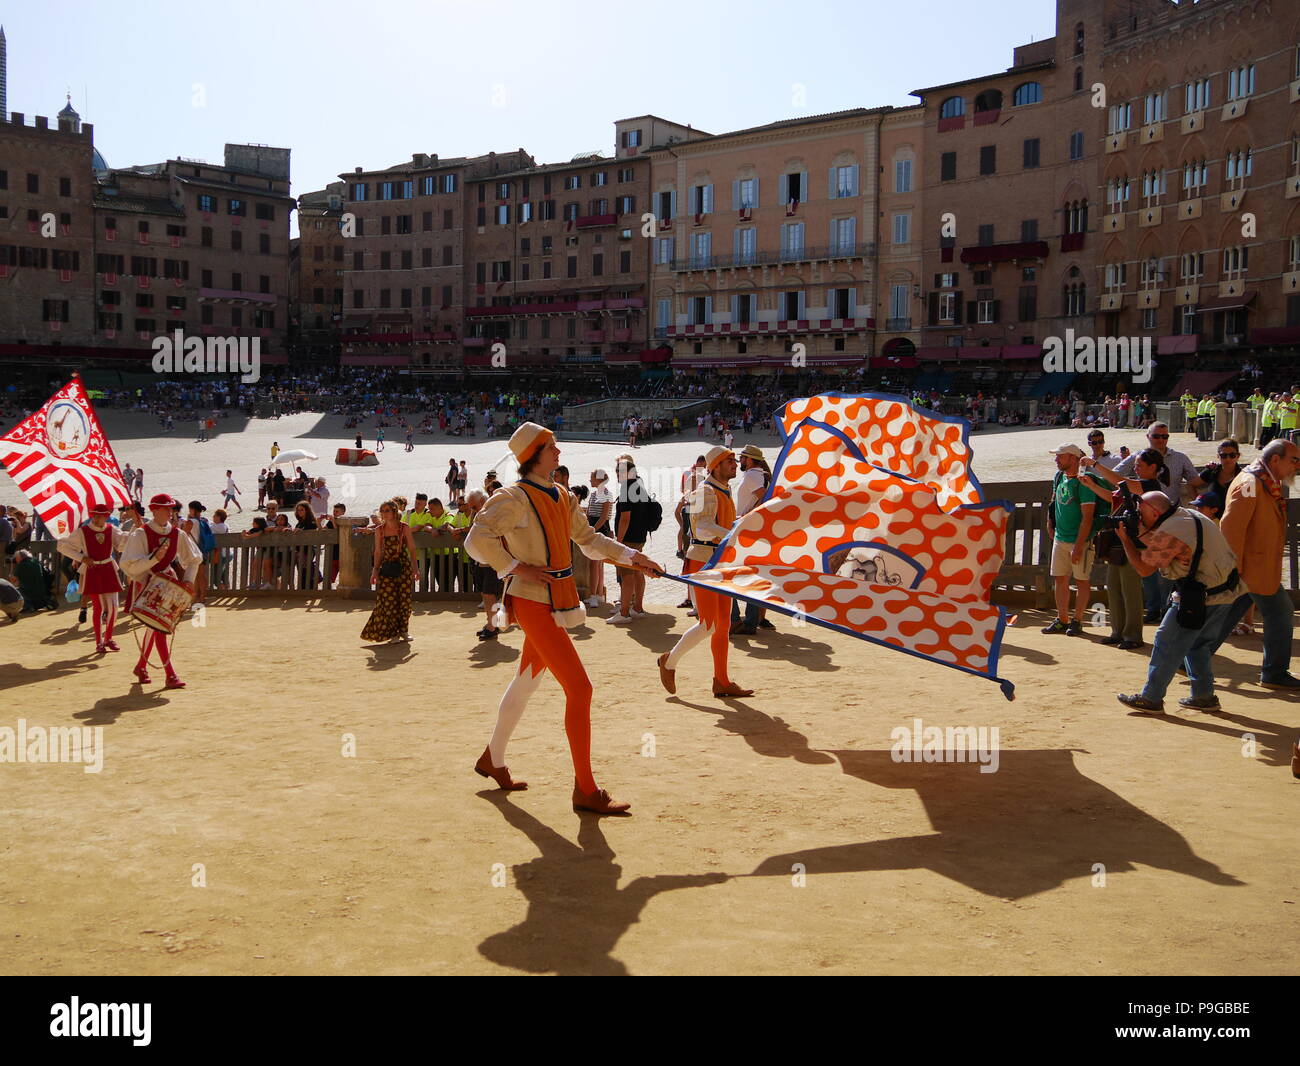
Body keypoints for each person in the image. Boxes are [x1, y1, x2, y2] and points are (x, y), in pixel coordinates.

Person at [465, 422, 661, 813]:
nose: (559, 452)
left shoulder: (562, 495)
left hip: (555, 599)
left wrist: (633, 558)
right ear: (533, 454)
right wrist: (513, 567)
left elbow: (589, 541)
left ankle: (493, 759)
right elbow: (476, 540)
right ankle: (585, 790)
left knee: (526, 682)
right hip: (534, 600)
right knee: (580, 689)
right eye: (552, 447)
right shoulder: (513, 497)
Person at [1115, 492, 1248, 713]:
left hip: (1198, 597)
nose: (1138, 516)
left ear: (1155, 512)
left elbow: (1144, 568)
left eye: (1141, 513)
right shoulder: (1188, 516)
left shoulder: (1172, 530)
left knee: (1166, 642)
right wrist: (1138, 529)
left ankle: (1151, 698)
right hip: (1226, 593)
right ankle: (1204, 697)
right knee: (1198, 646)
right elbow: (1164, 546)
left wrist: (1126, 540)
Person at [658, 445, 754, 698]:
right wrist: (733, 534)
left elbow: (718, 524)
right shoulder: (704, 490)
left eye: (735, 460)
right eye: (729, 461)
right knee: (709, 624)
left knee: (722, 626)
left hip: (720, 562)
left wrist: (740, 526)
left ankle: (721, 680)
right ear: (716, 465)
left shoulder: (723, 489)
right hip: (703, 562)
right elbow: (702, 529)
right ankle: (669, 661)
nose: (735, 464)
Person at [1217, 439, 1300, 690]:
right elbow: (1231, 529)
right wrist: (1233, 569)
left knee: (1224, 617)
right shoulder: (1251, 483)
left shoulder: (1263, 480)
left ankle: (1188, 656)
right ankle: (1274, 672)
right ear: (1275, 460)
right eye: (1294, 460)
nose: (1297, 466)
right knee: (1280, 612)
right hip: (1249, 571)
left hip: (1255, 570)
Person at [1111, 423, 1204, 622]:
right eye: (1157, 436)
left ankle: (1165, 608)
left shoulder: (1179, 457)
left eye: (1165, 436)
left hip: (1170, 521)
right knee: (1151, 571)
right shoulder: (1139, 456)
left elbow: (1196, 482)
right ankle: (1155, 609)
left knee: (1165, 571)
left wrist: (1216, 473)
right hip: (1146, 521)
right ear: (1148, 436)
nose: (1161, 440)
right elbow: (1116, 474)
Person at [120, 493, 202, 689]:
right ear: (154, 510)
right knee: (159, 627)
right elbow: (128, 565)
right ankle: (170, 674)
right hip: (147, 582)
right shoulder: (140, 534)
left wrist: (189, 580)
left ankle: (142, 666)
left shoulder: (177, 534)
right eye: (166, 508)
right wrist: (154, 559)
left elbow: (194, 558)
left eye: (171, 508)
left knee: (157, 626)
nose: (170, 511)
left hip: (168, 583)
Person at [1042, 444, 1098, 636]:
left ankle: (1078, 620)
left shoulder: (1084, 482)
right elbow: (1053, 500)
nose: (1056, 460)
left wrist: (1080, 545)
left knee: (1082, 580)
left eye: (1060, 456)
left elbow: (1088, 517)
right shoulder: (1059, 477)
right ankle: (1062, 619)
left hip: (1078, 540)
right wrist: (1050, 522)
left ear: (1073, 458)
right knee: (1060, 578)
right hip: (1060, 537)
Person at [58, 503, 128, 654]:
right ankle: (99, 642)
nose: (97, 518)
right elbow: (62, 545)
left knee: (114, 607)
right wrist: (81, 557)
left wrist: (137, 529)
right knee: (98, 607)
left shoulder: (111, 529)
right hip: (92, 570)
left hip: (109, 569)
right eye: (94, 515)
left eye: (100, 515)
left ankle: (109, 638)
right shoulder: (82, 532)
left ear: (106, 517)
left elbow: (122, 543)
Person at [361, 500, 416, 644]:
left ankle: (403, 630)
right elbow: (378, 552)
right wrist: (375, 571)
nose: (384, 513)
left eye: (387, 510)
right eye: (382, 511)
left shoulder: (404, 528)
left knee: (404, 601)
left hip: (403, 566)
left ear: (394, 511)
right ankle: (393, 633)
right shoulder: (379, 529)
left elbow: (412, 549)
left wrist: (415, 569)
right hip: (387, 567)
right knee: (388, 601)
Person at [731, 444, 772, 635]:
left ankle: (740, 621)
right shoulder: (759, 474)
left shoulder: (751, 475)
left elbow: (764, 499)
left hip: (747, 531)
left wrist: (747, 518)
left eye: (742, 458)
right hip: (754, 530)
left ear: (749, 460)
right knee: (752, 575)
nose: (740, 461)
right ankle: (750, 620)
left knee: (730, 573)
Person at [607, 456, 652, 624]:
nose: (616, 475)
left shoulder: (626, 489)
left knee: (627, 574)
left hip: (629, 537)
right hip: (640, 535)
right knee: (638, 571)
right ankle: (638, 608)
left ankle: (624, 612)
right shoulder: (640, 485)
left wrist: (618, 541)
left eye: (618, 472)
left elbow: (625, 517)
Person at [584, 469, 614, 608]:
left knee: (594, 563)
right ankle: (599, 594)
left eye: (592, 478)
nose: (590, 480)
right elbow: (590, 512)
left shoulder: (606, 494)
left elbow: (604, 516)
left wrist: (593, 530)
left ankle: (594, 596)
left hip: (599, 529)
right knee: (597, 564)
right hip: (595, 527)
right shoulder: (595, 493)